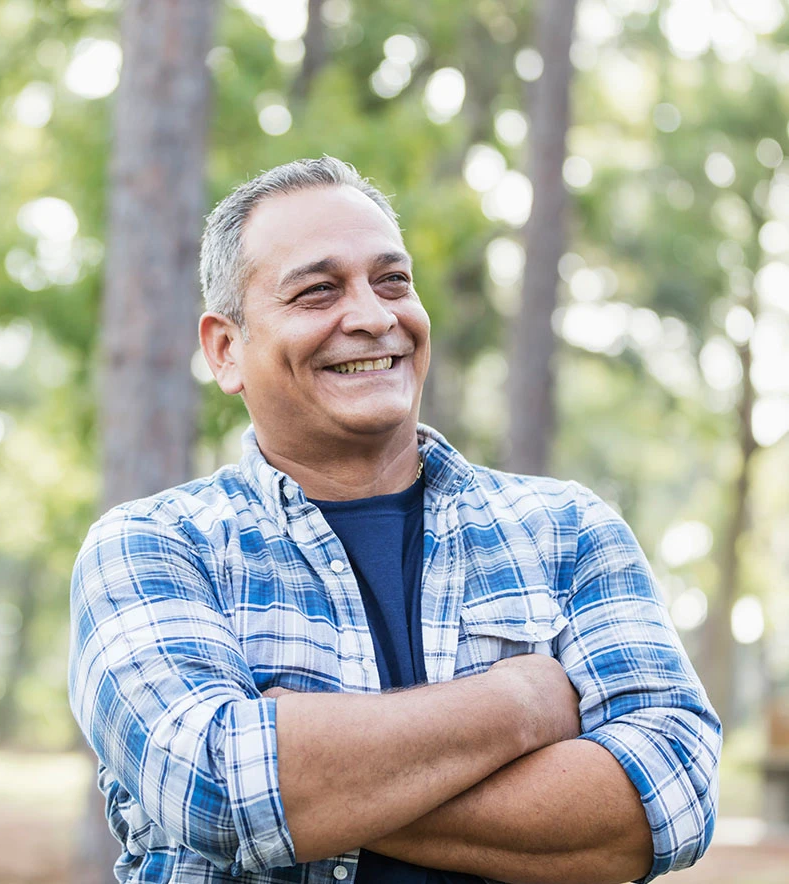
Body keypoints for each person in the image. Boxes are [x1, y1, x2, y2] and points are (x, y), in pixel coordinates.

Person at [69, 156, 721, 884]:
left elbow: (674, 793)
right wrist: (523, 703)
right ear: (226, 349)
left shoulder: (568, 531)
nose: (376, 317)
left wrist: (314, 770)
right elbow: (218, 790)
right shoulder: (153, 547)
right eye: (318, 292)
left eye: (393, 281)